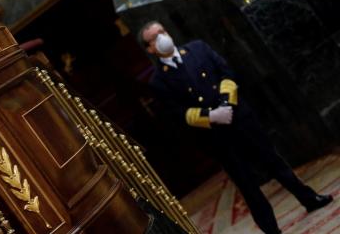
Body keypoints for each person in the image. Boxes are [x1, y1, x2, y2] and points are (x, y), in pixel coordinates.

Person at [138, 21, 333, 234]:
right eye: (155, 38)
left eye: (163, 32)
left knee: (275, 163)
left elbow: (226, 73)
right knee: (248, 185)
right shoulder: (159, 80)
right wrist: (211, 116)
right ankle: (271, 230)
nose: (162, 38)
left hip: (240, 119)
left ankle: (309, 199)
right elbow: (179, 114)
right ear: (150, 48)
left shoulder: (197, 48)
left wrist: (225, 104)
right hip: (216, 137)